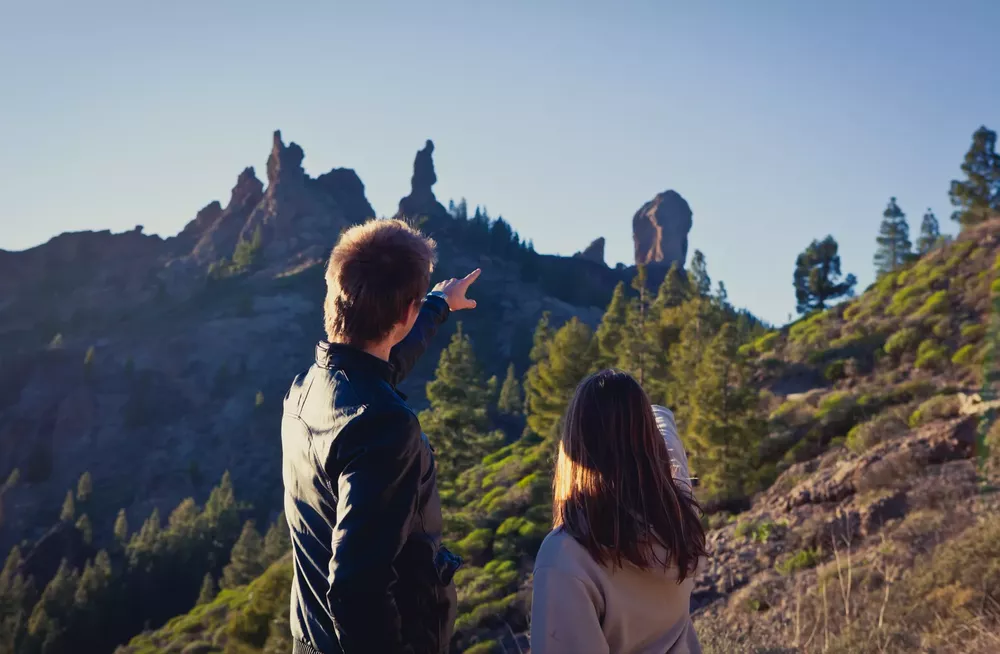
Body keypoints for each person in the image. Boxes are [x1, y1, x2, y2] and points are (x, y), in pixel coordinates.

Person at [281, 218, 480, 654]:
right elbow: (358, 592)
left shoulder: (306, 389)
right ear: (405, 312)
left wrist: (437, 303)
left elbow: (382, 363)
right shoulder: (384, 424)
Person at [530, 369, 708, 654]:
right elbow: (669, 440)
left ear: (576, 446)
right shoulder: (678, 518)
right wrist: (640, 415)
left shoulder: (566, 557)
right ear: (651, 442)